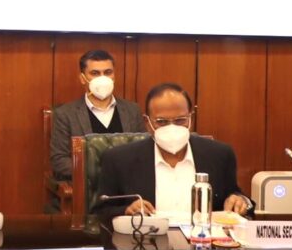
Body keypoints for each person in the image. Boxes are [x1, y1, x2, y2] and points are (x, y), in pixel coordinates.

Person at [94, 83, 252, 221]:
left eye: (180, 120)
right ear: (147, 123)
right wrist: (127, 210)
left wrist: (239, 201)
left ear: (191, 118)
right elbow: (101, 211)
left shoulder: (219, 155)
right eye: (162, 122)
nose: (172, 127)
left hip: (203, 241)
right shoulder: (119, 159)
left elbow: (237, 197)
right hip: (146, 241)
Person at [49, 49, 143, 180]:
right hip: (89, 186)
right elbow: (59, 161)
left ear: (114, 76)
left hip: (128, 184)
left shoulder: (132, 110)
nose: (102, 78)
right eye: (95, 73)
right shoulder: (65, 114)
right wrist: (100, 173)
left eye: (108, 72)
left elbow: (144, 151)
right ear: (82, 79)